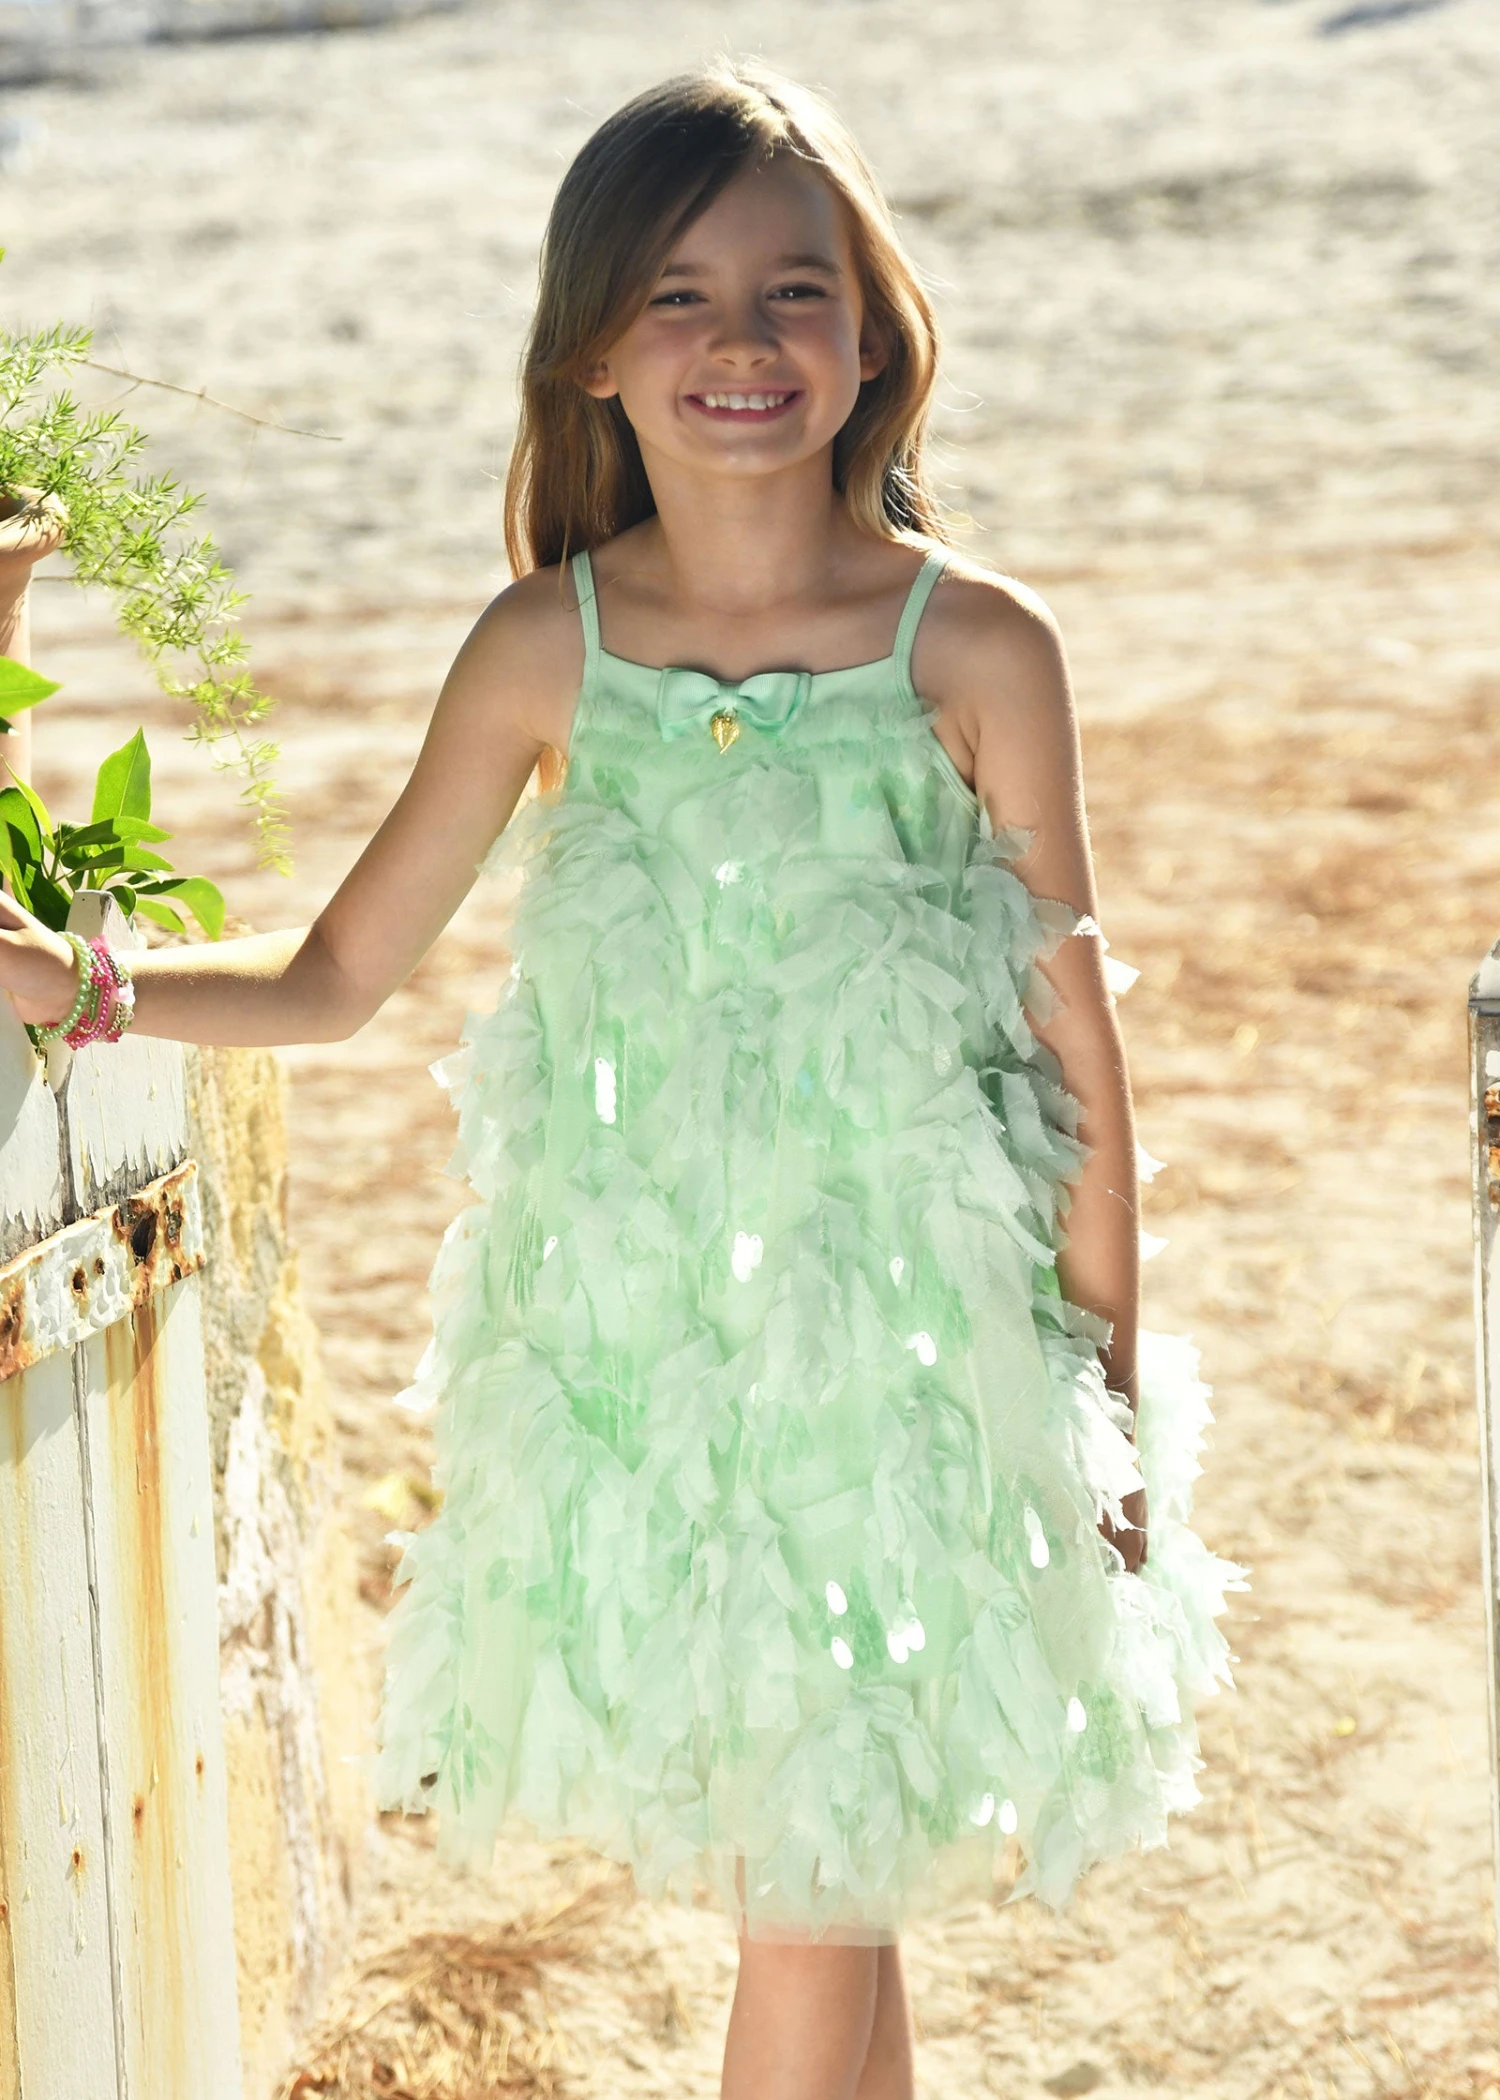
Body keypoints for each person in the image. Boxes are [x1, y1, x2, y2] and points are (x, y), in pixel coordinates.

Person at [0, 64, 1243, 2100]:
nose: (743, 339)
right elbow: (338, 974)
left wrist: (1102, 1399)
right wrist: (86, 984)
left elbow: (1075, 1056)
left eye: (795, 290)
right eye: (679, 295)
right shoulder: (542, 650)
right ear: (592, 349)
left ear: (875, 334)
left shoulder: (978, 651)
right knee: (824, 1881)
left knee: (816, 1897)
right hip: (662, 1380)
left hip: (921, 1380)